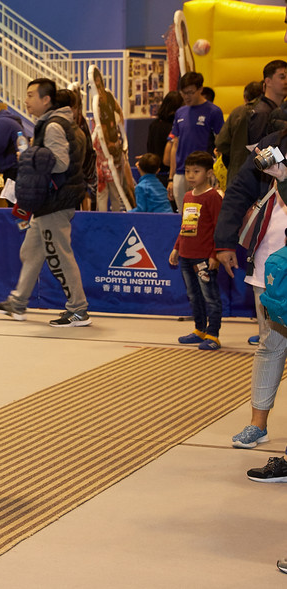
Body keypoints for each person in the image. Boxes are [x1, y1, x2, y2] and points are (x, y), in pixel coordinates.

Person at [0, 78, 91, 327]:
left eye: (32, 95)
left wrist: (30, 156)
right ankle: (18, 302)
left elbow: (61, 163)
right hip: (50, 202)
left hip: (55, 203)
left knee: (60, 255)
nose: (27, 100)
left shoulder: (54, 126)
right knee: (31, 251)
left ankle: (78, 310)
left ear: (46, 99)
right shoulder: (58, 123)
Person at [217, 124, 287, 449]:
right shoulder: (275, 141)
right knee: (271, 343)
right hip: (271, 263)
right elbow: (239, 190)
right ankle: (257, 424)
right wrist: (225, 241)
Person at [168, 151, 222, 350]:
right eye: (188, 171)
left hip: (204, 258)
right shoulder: (188, 196)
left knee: (211, 296)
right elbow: (185, 225)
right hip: (186, 256)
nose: (190, 175)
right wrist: (176, 248)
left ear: (208, 173)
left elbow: (219, 228)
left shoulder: (213, 197)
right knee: (194, 295)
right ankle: (199, 329)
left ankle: (213, 334)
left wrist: (214, 254)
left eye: (196, 171)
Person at [216, 60, 287, 186]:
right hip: (254, 184)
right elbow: (258, 152)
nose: (286, 81)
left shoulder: (267, 110)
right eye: (282, 77)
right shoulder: (262, 112)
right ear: (268, 81)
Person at [168, 72, 224, 212]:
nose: (186, 96)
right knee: (183, 215)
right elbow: (175, 144)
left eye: (190, 92)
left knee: (204, 213)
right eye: (183, 93)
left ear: (200, 89)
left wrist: (216, 172)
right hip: (181, 171)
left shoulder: (213, 112)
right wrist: (171, 177)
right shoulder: (180, 112)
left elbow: (221, 143)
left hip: (204, 171)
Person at [91, 68, 135, 211]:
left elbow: (119, 112)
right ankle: (103, 219)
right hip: (103, 147)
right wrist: (107, 142)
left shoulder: (108, 95)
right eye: (95, 83)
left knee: (116, 188)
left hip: (113, 145)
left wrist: (117, 132)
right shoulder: (95, 101)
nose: (98, 85)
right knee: (103, 189)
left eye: (99, 82)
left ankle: (116, 216)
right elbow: (100, 124)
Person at [147, 90, 181, 186]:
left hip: (153, 173)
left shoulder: (154, 124)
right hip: (169, 173)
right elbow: (167, 159)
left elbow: (149, 148)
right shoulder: (175, 128)